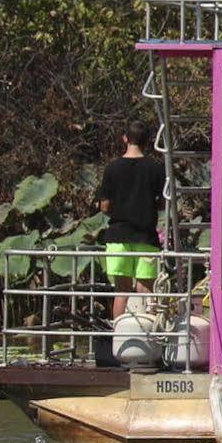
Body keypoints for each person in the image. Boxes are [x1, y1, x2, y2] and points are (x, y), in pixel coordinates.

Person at [97, 122, 166, 321]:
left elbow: (104, 206)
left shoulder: (112, 168)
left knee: (122, 291)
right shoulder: (155, 168)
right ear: (148, 142)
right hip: (146, 236)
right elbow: (162, 203)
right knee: (146, 290)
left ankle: (119, 335)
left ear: (125, 139)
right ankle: (152, 336)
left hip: (118, 236)